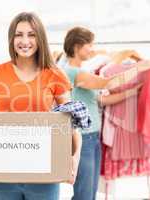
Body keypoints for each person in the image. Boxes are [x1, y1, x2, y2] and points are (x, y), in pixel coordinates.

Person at [0, 12, 82, 200]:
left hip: (44, 172)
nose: (25, 41)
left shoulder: (55, 75)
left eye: (32, 34)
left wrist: (74, 159)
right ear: (12, 38)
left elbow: (72, 123)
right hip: (2, 171)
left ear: (40, 39)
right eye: (19, 34)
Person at [61, 27, 144, 200]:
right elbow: (109, 83)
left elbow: (101, 100)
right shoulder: (74, 73)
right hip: (83, 140)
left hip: (92, 138)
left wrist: (133, 92)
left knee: (89, 193)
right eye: (89, 45)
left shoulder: (81, 72)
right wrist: (139, 68)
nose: (92, 49)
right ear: (77, 46)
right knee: (84, 194)